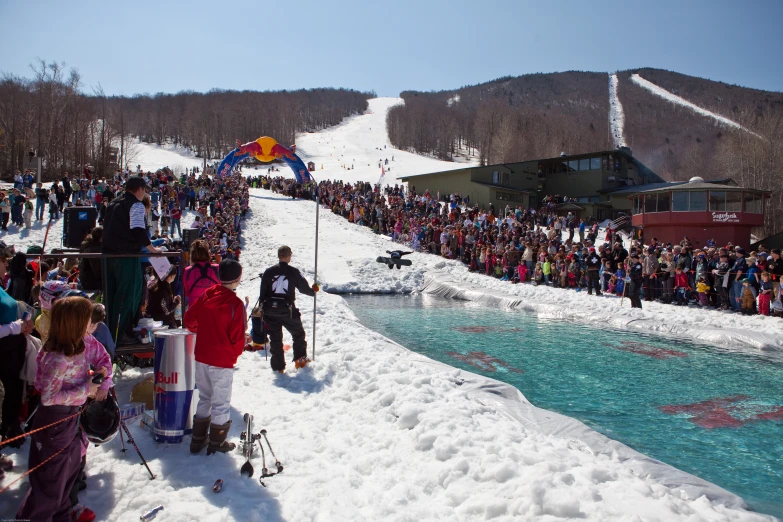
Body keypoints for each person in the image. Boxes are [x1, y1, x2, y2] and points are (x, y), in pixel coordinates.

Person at [16, 296, 101, 522]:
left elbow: (66, 381)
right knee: (51, 483)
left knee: (67, 472)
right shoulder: (58, 358)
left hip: (69, 419)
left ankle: (63, 514)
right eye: (86, 320)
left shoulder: (74, 349)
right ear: (74, 323)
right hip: (56, 421)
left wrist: (88, 378)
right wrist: (86, 389)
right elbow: (49, 396)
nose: (90, 324)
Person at [184, 259, 247, 455]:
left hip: (202, 354)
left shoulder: (206, 295)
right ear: (238, 279)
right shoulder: (235, 304)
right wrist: (235, 352)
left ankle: (197, 439)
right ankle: (217, 443)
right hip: (222, 358)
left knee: (204, 398)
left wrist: (200, 330)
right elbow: (238, 337)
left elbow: (189, 320)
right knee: (220, 401)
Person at [102, 176, 160, 343]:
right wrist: (152, 249)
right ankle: (122, 334)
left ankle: (110, 333)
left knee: (111, 296)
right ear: (139, 189)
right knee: (128, 295)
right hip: (127, 256)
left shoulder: (113, 204)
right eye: (145, 190)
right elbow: (137, 229)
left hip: (109, 255)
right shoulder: (136, 205)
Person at [260, 245, 319, 373]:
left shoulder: (268, 272)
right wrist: (313, 291)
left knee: (275, 338)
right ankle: (300, 361)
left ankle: (278, 367)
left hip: (270, 309)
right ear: (288, 256)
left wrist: (262, 309)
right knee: (298, 334)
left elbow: (262, 293)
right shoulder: (293, 271)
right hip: (287, 310)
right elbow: (303, 289)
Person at [183, 239, 220, 306]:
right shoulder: (217, 268)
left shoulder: (187, 271)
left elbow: (187, 293)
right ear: (208, 254)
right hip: (214, 308)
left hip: (194, 309)